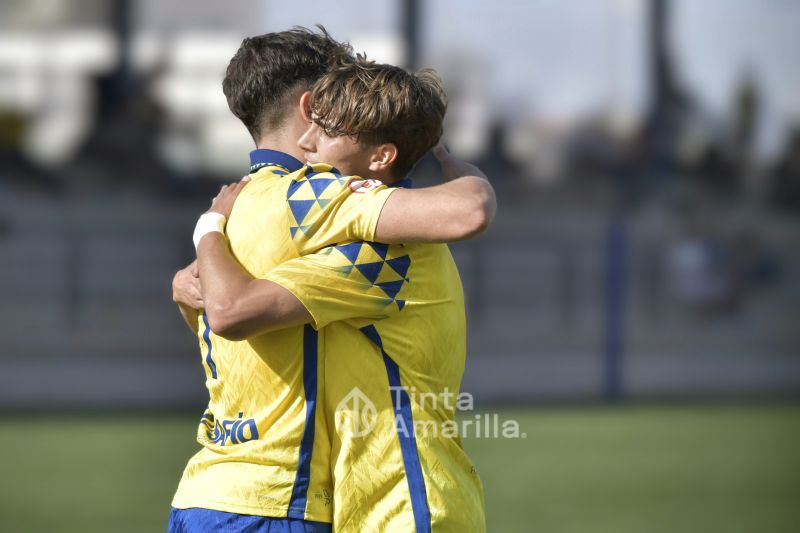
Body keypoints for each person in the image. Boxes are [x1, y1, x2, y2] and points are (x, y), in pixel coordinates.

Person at [168, 28, 494, 532]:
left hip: (206, 487)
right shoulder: (315, 201)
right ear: (309, 105)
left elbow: (221, 312)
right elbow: (468, 211)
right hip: (287, 501)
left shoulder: (235, 212)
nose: (310, 140)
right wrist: (459, 168)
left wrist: (203, 242)